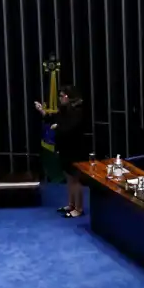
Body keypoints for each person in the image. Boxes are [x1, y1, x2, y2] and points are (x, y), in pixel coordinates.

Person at [36, 84, 91, 217]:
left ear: (68, 97)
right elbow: (54, 119)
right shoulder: (65, 109)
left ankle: (78, 208)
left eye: (62, 96)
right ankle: (71, 204)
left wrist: (57, 127)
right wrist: (43, 112)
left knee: (75, 179)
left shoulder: (78, 111)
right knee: (68, 178)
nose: (60, 98)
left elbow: (71, 129)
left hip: (76, 149)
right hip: (65, 148)